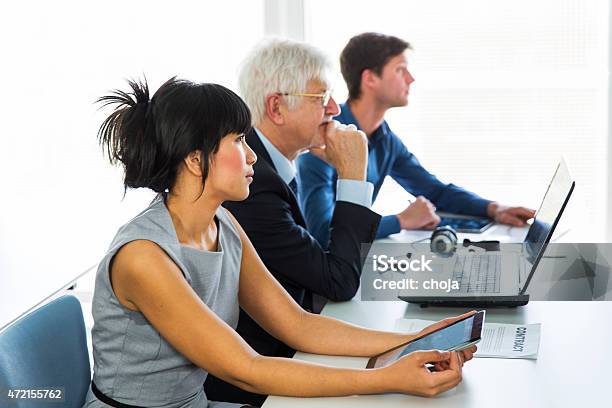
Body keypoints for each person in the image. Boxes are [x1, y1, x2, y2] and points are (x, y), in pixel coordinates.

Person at [85, 77, 476, 408]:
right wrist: (388, 378)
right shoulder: (144, 258)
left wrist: (413, 340)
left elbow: (298, 325)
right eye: (238, 140)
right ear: (194, 159)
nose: (253, 155)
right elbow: (247, 370)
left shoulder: (224, 224)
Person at [204, 39, 382, 405]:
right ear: (277, 107)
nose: (335, 108)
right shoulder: (252, 184)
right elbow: (339, 280)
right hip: (256, 377)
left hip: (287, 346)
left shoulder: (275, 166)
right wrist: (353, 175)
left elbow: (314, 256)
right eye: (322, 97)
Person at [297, 32, 536, 247]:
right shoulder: (322, 138)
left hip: (354, 260)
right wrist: (400, 221)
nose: (410, 78)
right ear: (370, 79)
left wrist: (494, 209)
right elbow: (322, 233)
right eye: (400, 69)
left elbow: (435, 191)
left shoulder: (385, 139)